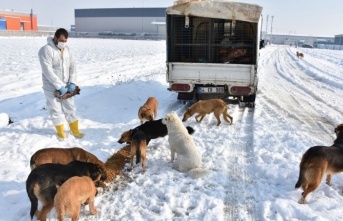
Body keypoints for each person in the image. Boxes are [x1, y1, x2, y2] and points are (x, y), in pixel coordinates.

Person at [38, 28, 84, 139]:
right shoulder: (46, 50)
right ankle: (60, 132)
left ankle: (75, 130)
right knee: (55, 109)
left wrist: (72, 82)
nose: (63, 43)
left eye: (65, 41)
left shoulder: (67, 50)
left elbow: (73, 67)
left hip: (67, 86)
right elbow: (47, 71)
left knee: (70, 107)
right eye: (61, 40)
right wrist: (59, 86)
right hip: (51, 87)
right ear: (55, 37)